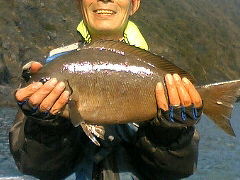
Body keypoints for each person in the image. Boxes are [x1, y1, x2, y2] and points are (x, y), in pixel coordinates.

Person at [9, 0, 203, 179]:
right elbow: (32, 165)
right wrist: (45, 126)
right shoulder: (46, 67)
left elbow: (178, 170)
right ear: (79, 3)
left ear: (134, 4)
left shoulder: (168, 79)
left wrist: (169, 133)